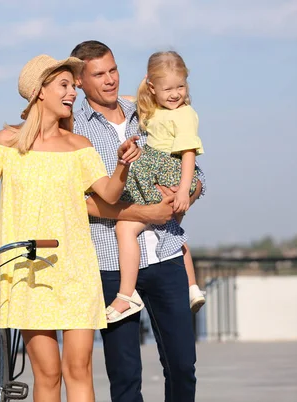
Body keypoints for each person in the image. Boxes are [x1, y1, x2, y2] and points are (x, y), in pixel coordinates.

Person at [0, 54, 141, 402]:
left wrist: (122, 164)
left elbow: (109, 193)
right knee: (46, 374)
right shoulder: (6, 142)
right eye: (64, 85)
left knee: (78, 369)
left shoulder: (80, 146)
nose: (73, 93)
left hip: (76, 267)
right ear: (39, 92)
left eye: (73, 87)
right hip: (27, 269)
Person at [70, 40, 205, 402]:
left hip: (166, 253)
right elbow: (80, 203)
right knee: (125, 376)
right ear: (79, 81)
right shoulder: (74, 129)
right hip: (111, 264)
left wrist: (182, 200)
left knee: (182, 367)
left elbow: (197, 175)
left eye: (113, 70)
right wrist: (143, 213)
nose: (110, 79)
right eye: (99, 74)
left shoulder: (147, 110)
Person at [106, 50, 207, 324]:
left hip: (170, 172)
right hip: (161, 172)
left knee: (125, 225)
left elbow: (188, 154)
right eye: (168, 88)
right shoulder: (156, 110)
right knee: (172, 230)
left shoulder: (184, 114)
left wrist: (185, 189)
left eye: (181, 87)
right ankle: (191, 286)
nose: (176, 94)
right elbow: (131, 101)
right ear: (152, 87)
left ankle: (126, 295)